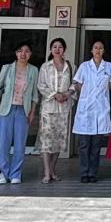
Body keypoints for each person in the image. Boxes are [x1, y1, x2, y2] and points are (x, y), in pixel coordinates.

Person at [0, 42, 40, 185]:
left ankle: (16, 173)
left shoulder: (34, 70)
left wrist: (32, 111)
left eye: (27, 51)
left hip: (23, 110)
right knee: (4, 143)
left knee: (20, 144)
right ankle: (3, 173)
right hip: (6, 109)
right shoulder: (7, 68)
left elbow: (35, 94)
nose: (23, 54)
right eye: (20, 51)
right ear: (16, 53)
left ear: (30, 54)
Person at [71, 40, 111, 183]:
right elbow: (77, 84)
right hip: (86, 110)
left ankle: (93, 173)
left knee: (96, 146)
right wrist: (87, 96)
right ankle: (84, 172)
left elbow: (110, 86)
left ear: (104, 51)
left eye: (101, 48)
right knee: (84, 145)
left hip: (101, 110)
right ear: (91, 50)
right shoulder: (84, 66)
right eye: (95, 48)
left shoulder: (109, 67)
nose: (98, 50)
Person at [36, 37, 73, 184]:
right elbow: (41, 85)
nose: (57, 49)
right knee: (46, 141)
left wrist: (66, 94)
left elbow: (75, 84)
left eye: (60, 47)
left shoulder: (70, 66)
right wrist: (55, 95)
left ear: (64, 49)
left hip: (63, 109)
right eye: (54, 47)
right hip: (48, 109)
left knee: (59, 140)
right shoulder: (45, 66)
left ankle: (52, 170)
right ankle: (46, 172)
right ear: (51, 49)